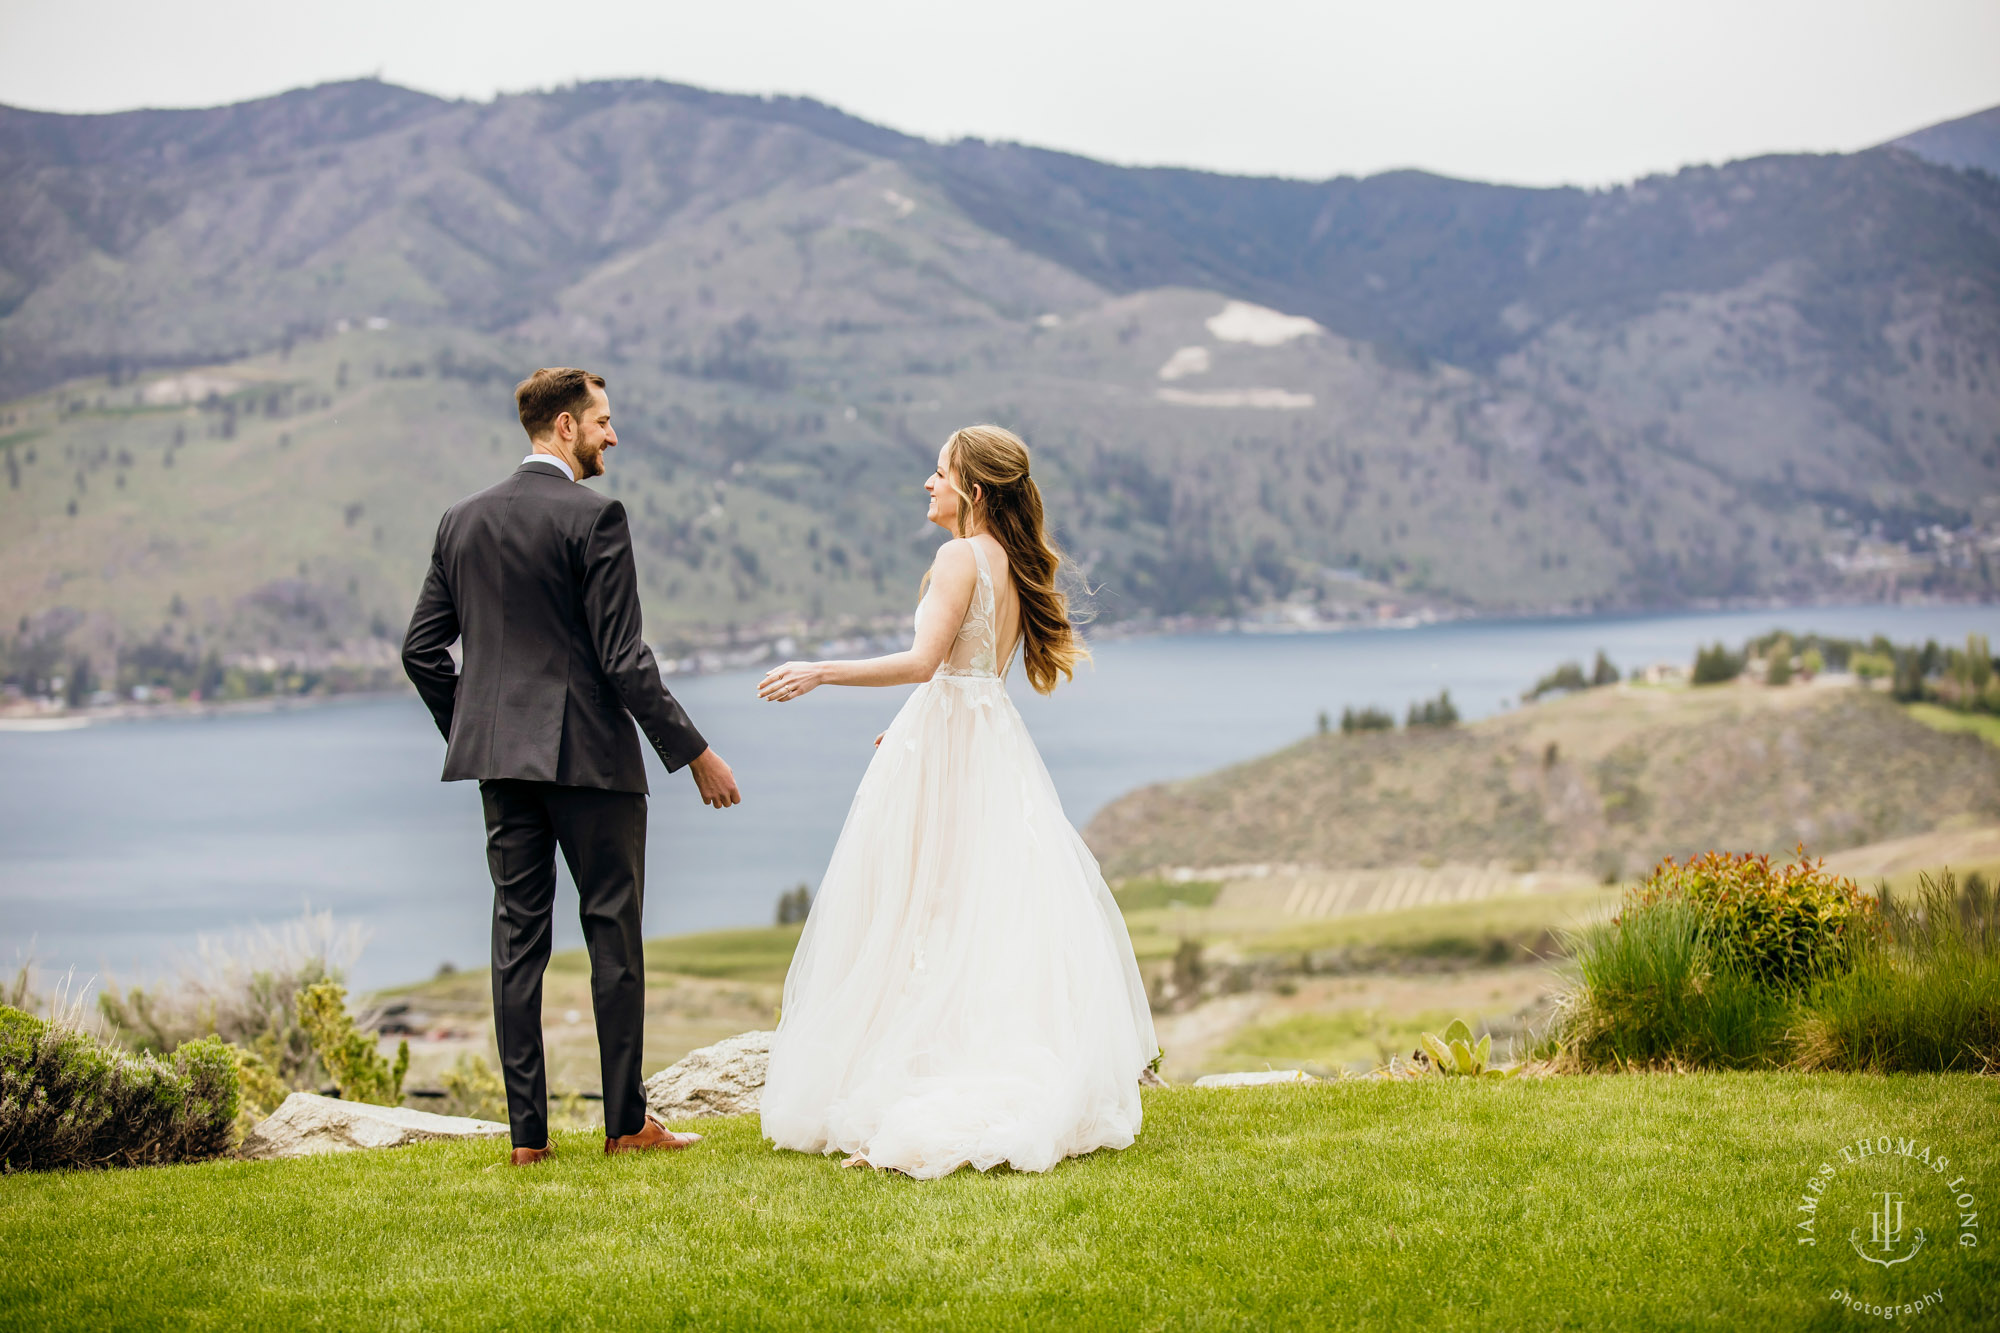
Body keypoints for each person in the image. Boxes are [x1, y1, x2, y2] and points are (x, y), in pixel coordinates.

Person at [755, 424, 1158, 1179]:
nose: (928, 485)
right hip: (982, 740)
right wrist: (909, 731)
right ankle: (949, 1058)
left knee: (925, 905)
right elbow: (963, 678)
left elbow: (922, 663)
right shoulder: (1007, 562)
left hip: (954, 745)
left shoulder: (957, 557)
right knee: (976, 903)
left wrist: (819, 670)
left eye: (939, 473)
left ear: (972, 490)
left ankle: (918, 1079)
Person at [402, 367, 741, 1167]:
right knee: (612, 937)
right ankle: (625, 1124)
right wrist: (696, 751)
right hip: (591, 760)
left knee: (517, 942)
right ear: (564, 427)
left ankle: (528, 1141)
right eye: (603, 423)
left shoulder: (462, 520)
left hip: (502, 768)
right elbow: (624, 660)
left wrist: (480, 730)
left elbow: (422, 651)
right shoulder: (596, 518)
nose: (612, 437)